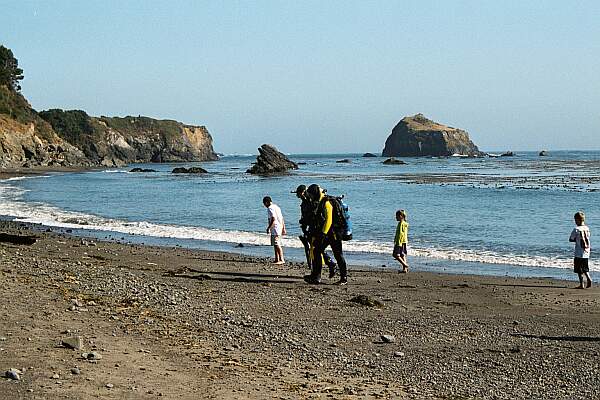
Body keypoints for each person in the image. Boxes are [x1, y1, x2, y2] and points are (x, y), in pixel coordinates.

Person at [303, 184, 348, 285]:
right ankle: (316, 276)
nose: (310, 197)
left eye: (310, 194)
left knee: (338, 254)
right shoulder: (320, 201)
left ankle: (343, 278)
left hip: (334, 232)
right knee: (316, 250)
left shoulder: (326, 202)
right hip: (328, 233)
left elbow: (329, 219)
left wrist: (323, 234)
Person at [292, 185, 337, 276]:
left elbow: (313, 215)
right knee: (316, 249)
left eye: (298, 193)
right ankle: (326, 265)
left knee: (315, 249)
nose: (297, 196)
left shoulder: (311, 201)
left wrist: (306, 225)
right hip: (311, 228)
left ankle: (321, 269)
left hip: (315, 229)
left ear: (302, 193)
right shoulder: (307, 201)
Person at [569, 211, 592, 289]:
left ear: (578, 220)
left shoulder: (576, 229)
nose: (575, 222)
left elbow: (571, 239)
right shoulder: (587, 228)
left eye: (575, 220)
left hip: (579, 251)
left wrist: (576, 239)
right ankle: (589, 278)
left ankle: (581, 284)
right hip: (587, 251)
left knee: (579, 269)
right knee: (585, 267)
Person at [263, 196, 286, 264]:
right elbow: (282, 218)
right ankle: (277, 258)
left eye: (264, 204)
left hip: (275, 228)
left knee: (276, 244)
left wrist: (268, 228)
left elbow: (273, 218)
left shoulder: (270, 208)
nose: (264, 205)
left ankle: (281, 259)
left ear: (266, 202)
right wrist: (284, 228)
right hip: (279, 227)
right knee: (275, 244)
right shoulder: (277, 207)